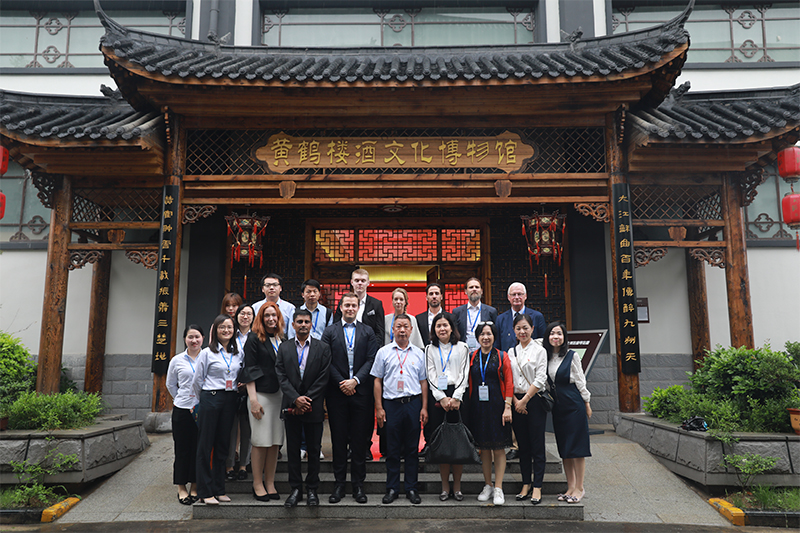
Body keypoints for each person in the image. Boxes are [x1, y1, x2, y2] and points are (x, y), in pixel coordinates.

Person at [322, 292, 378, 504]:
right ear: (341, 307)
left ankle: (358, 486)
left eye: (354, 305)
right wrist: (342, 383)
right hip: (337, 394)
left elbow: (372, 359)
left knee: (359, 441)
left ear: (358, 308)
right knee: (338, 440)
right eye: (347, 305)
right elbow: (326, 360)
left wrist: (355, 381)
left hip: (361, 393)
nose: (350, 309)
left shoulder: (367, 331)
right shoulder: (330, 331)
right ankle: (339, 485)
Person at [275, 309, 332, 507]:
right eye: (299, 322)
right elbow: (281, 375)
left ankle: (312, 489)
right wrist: (295, 398)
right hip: (291, 407)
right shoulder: (284, 348)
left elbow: (324, 377)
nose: (303, 325)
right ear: (293, 325)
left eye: (307, 322)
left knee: (314, 450)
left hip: (313, 406)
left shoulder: (322, 348)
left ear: (311, 324)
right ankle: (296, 489)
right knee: (292, 450)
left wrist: (306, 399)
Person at [371, 314, 428, 505]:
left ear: (411, 330)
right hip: (391, 405)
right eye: (398, 326)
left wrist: (424, 407)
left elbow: (423, 382)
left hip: (413, 404)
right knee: (392, 449)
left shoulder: (419, 353)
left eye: (405, 326)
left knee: (412, 449)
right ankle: (392, 488)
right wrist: (379, 408)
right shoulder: (383, 352)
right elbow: (377, 381)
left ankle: (411, 488)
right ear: (393, 330)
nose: (402, 330)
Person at [192, 315, 242, 505]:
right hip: (211, 398)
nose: (226, 330)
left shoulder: (238, 353)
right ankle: (205, 491)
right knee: (205, 445)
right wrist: (203, 401)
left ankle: (219, 489)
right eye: (222, 327)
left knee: (223, 445)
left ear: (234, 330)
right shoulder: (207, 353)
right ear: (215, 330)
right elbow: (197, 380)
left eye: (229, 327)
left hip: (230, 399)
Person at [240, 302, 284, 502]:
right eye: (267, 315)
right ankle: (257, 483)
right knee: (260, 441)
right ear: (261, 317)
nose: (271, 319)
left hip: (279, 396)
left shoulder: (282, 338)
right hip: (261, 395)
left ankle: (270, 483)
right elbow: (249, 369)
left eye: (274, 315)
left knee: (274, 442)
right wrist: (253, 400)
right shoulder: (253, 338)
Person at [543, 322, 592, 504]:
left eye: (559, 333)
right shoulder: (545, 357)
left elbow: (580, 380)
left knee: (577, 448)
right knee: (564, 448)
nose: (555, 337)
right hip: (558, 407)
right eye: (552, 333)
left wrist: (587, 403)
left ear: (564, 337)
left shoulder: (572, 356)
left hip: (574, 405)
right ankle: (570, 487)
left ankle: (580, 487)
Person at [424, 312, 470, 501]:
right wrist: (442, 398)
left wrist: (456, 397)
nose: (442, 329)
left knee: (458, 444)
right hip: (438, 398)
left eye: (445, 325)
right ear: (434, 329)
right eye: (438, 326)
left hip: (459, 397)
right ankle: (444, 487)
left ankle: (457, 487)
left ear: (452, 328)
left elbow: (464, 373)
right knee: (442, 445)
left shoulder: (462, 347)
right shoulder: (429, 349)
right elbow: (430, 375)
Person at [467, 321, 513, 506]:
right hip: (478, 408)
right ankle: (488, 485)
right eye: (482, 334)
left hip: (497, 407)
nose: (485, 337)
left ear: (494, 336)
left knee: (498, 448)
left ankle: (499, 487)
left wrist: (508, 407)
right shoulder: (472, 356)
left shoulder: (502, 356)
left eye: (489, 334)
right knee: (484, 448)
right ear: (477, 337)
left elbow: (509, 382)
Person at [508, 314, 548, 504]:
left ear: (532, 329)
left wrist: (524, 400)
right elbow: (508, 379)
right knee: (523, 446)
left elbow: (541, 378)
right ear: (514, 331)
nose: (522, 332)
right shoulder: (511, 352)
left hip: (534, 401)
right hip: (516, 401)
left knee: (537, 445)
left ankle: (537, 486)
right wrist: (516, 401)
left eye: (525, 328)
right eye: (518, 328)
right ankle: (526, 483)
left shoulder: (540, 350)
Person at [166, 324, 204, 505]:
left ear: (203, 338)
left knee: (198, 448)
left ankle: (195, 486)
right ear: (185, 339)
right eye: (190, 337)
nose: (194, 340)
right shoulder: (177, 360)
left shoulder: (208, 357)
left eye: (197, 337)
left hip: (202, 409)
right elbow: (170, 384)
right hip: (182, 410)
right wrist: (182, 399)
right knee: (182, 449)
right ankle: (181, 487)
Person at [226, 304, 254, 482]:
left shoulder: (257, 336)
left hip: (250, 387)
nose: (245, 317)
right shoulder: (230, 335)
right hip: (229, 387)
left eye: (249, 314)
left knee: (247, 428)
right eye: (242, 313)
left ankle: (244, 464)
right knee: (230, 429)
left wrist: (247, 382)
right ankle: (229, 465)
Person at [333, 268, 385, 345]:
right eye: (357, 280)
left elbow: (380, 332)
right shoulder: (343, 302)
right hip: (345, 344)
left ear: (368, 283)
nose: (360, 283)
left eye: (363, 281)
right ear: (352, 282)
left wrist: (373, 348)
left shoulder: (376, 304)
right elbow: (336, 325)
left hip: (368, 346)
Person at [495, 282, 547, 352]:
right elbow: (497, 346)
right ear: (508, 297)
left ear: (525, 296)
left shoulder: (537, 317)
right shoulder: (500, 319)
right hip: (507, 357)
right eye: (513, 294)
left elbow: (543, 342)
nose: (516, 297)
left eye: (519, 294)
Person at [452, 278, 498, 352]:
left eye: (477, 287)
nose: (474, 289)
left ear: (481, 291)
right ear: (465, 291)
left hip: (485, 352)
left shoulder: (491, 311)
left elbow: (495, 334)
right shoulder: (457, 312)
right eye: (471, 287)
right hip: (463, 352)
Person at [253, 273, 296, 338]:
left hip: (282, 341)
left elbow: (291, 333)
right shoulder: (255, 307)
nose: (271, 288)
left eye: (275, 285)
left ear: (280, 288)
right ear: (262, 289)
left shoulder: (290, 308)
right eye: (268, 285)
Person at [415, 282, 445, 347]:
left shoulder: (450, 317)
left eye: (437, 293)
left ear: (441, 297)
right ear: (426, 297)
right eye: (431, 294)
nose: (434, 296)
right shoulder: (419, 318)